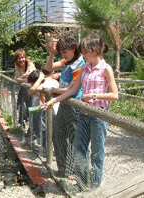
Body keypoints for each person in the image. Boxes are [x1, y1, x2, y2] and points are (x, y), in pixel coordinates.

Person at [44, 33, 118, 189]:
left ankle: (95, 186)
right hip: (84, 115)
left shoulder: (106, 68)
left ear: (95, 51)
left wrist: (94, 95)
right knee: (79, 149)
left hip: (98, 115)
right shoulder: (84, 67)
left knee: (97, 153)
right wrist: (53, 101)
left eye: (85, 52)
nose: (82, 55)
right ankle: (82, 183)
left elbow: (114, 95)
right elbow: (72, 90)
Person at [41, 34, 85, 178]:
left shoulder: (80, 64)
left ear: (73, 48)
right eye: (62, 53)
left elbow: (72, 90)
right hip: (63, 103)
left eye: (65, 52)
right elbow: (48, 68)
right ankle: (64, 170)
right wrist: (52, 53)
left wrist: (54, 91)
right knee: (58, 135)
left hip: (74, 106)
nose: (64, 55)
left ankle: (79, 175)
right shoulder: (67, 61)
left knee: (75, 139)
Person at [28, 69, 59, 148]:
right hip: (47, 109)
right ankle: (43, 144)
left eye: (32, 84)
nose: (31, 85)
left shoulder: (45, 84)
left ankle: (45, 148)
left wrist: (40, 79)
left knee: (45, 128)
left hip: (51, 110)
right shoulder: (48, 82)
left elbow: (31, 91)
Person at [14, 48, 36, 127]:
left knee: (31, 105)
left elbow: (28, 75)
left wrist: (21, 77)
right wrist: (23, 79)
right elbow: (17, 78)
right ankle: (21, 121)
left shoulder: (30, 64)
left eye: (22, 57)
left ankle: (31, 125)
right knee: (20, 101)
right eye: (19, 58)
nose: (21, 60)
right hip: (25, 87)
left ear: (25, 57)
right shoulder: (17, 65)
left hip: (33, 88)